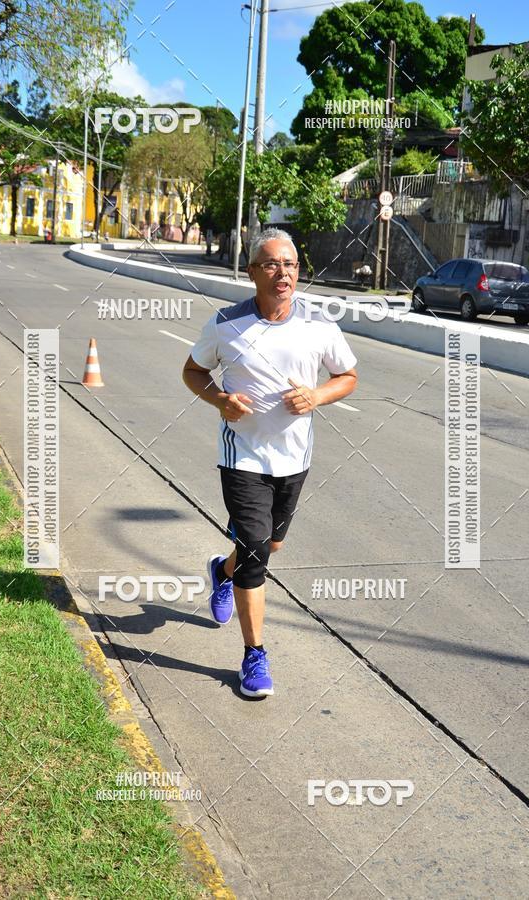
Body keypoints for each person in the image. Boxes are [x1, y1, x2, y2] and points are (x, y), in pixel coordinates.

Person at [182, 228, 358, 698]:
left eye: (292, 265)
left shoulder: (319, 325)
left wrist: (318, 394)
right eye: (273, 264)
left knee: (270, 546)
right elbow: (192, 371)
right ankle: (254, 655)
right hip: (241, 455)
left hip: (294, 458)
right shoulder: (226, 322)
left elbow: (348, 376)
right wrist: (220, 399)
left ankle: (222, 571)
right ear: (253, 270)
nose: (284, 273)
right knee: (257, 553)